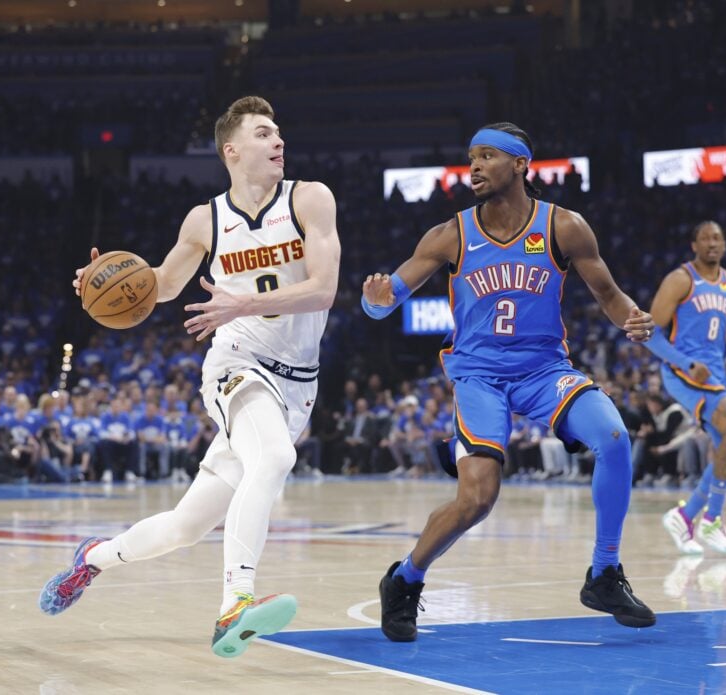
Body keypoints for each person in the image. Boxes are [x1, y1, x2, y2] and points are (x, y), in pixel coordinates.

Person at [38, 96, 341, 657]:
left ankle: (91, 559)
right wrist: (105, 279)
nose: (278, 142)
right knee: (274, 459)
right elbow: (164, 284)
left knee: (185, 527)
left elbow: (324, 289)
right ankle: (236, 605)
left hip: (298, 384)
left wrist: (240, 302)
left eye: (278, 133)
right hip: (236, 366)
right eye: (263, 133)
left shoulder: (309, 199)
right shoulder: (207, 219)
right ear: (232, 150)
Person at [362, 122, 656, 641]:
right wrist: (377, 296)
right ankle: (405, 579)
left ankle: (605, 573)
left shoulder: (565, 226)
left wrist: (632, 315)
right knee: (477, 499)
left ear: (521, 164)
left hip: (544, 369)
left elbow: (609, 293)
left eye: (488, 156)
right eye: (470, 157)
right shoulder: (449, 234)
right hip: (480, 376)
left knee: (614, 436)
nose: (474, 166)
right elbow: (385, 303)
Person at [645, 221, 726, 556]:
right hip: (682, 370)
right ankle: (711, 518)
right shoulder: (680, 279)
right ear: (694, 245)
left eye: (717, 238)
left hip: (714, 371)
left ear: (724, 244)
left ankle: (684, 516)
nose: (712, 243)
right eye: (705, 238)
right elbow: (650, 333)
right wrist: (685, 364)